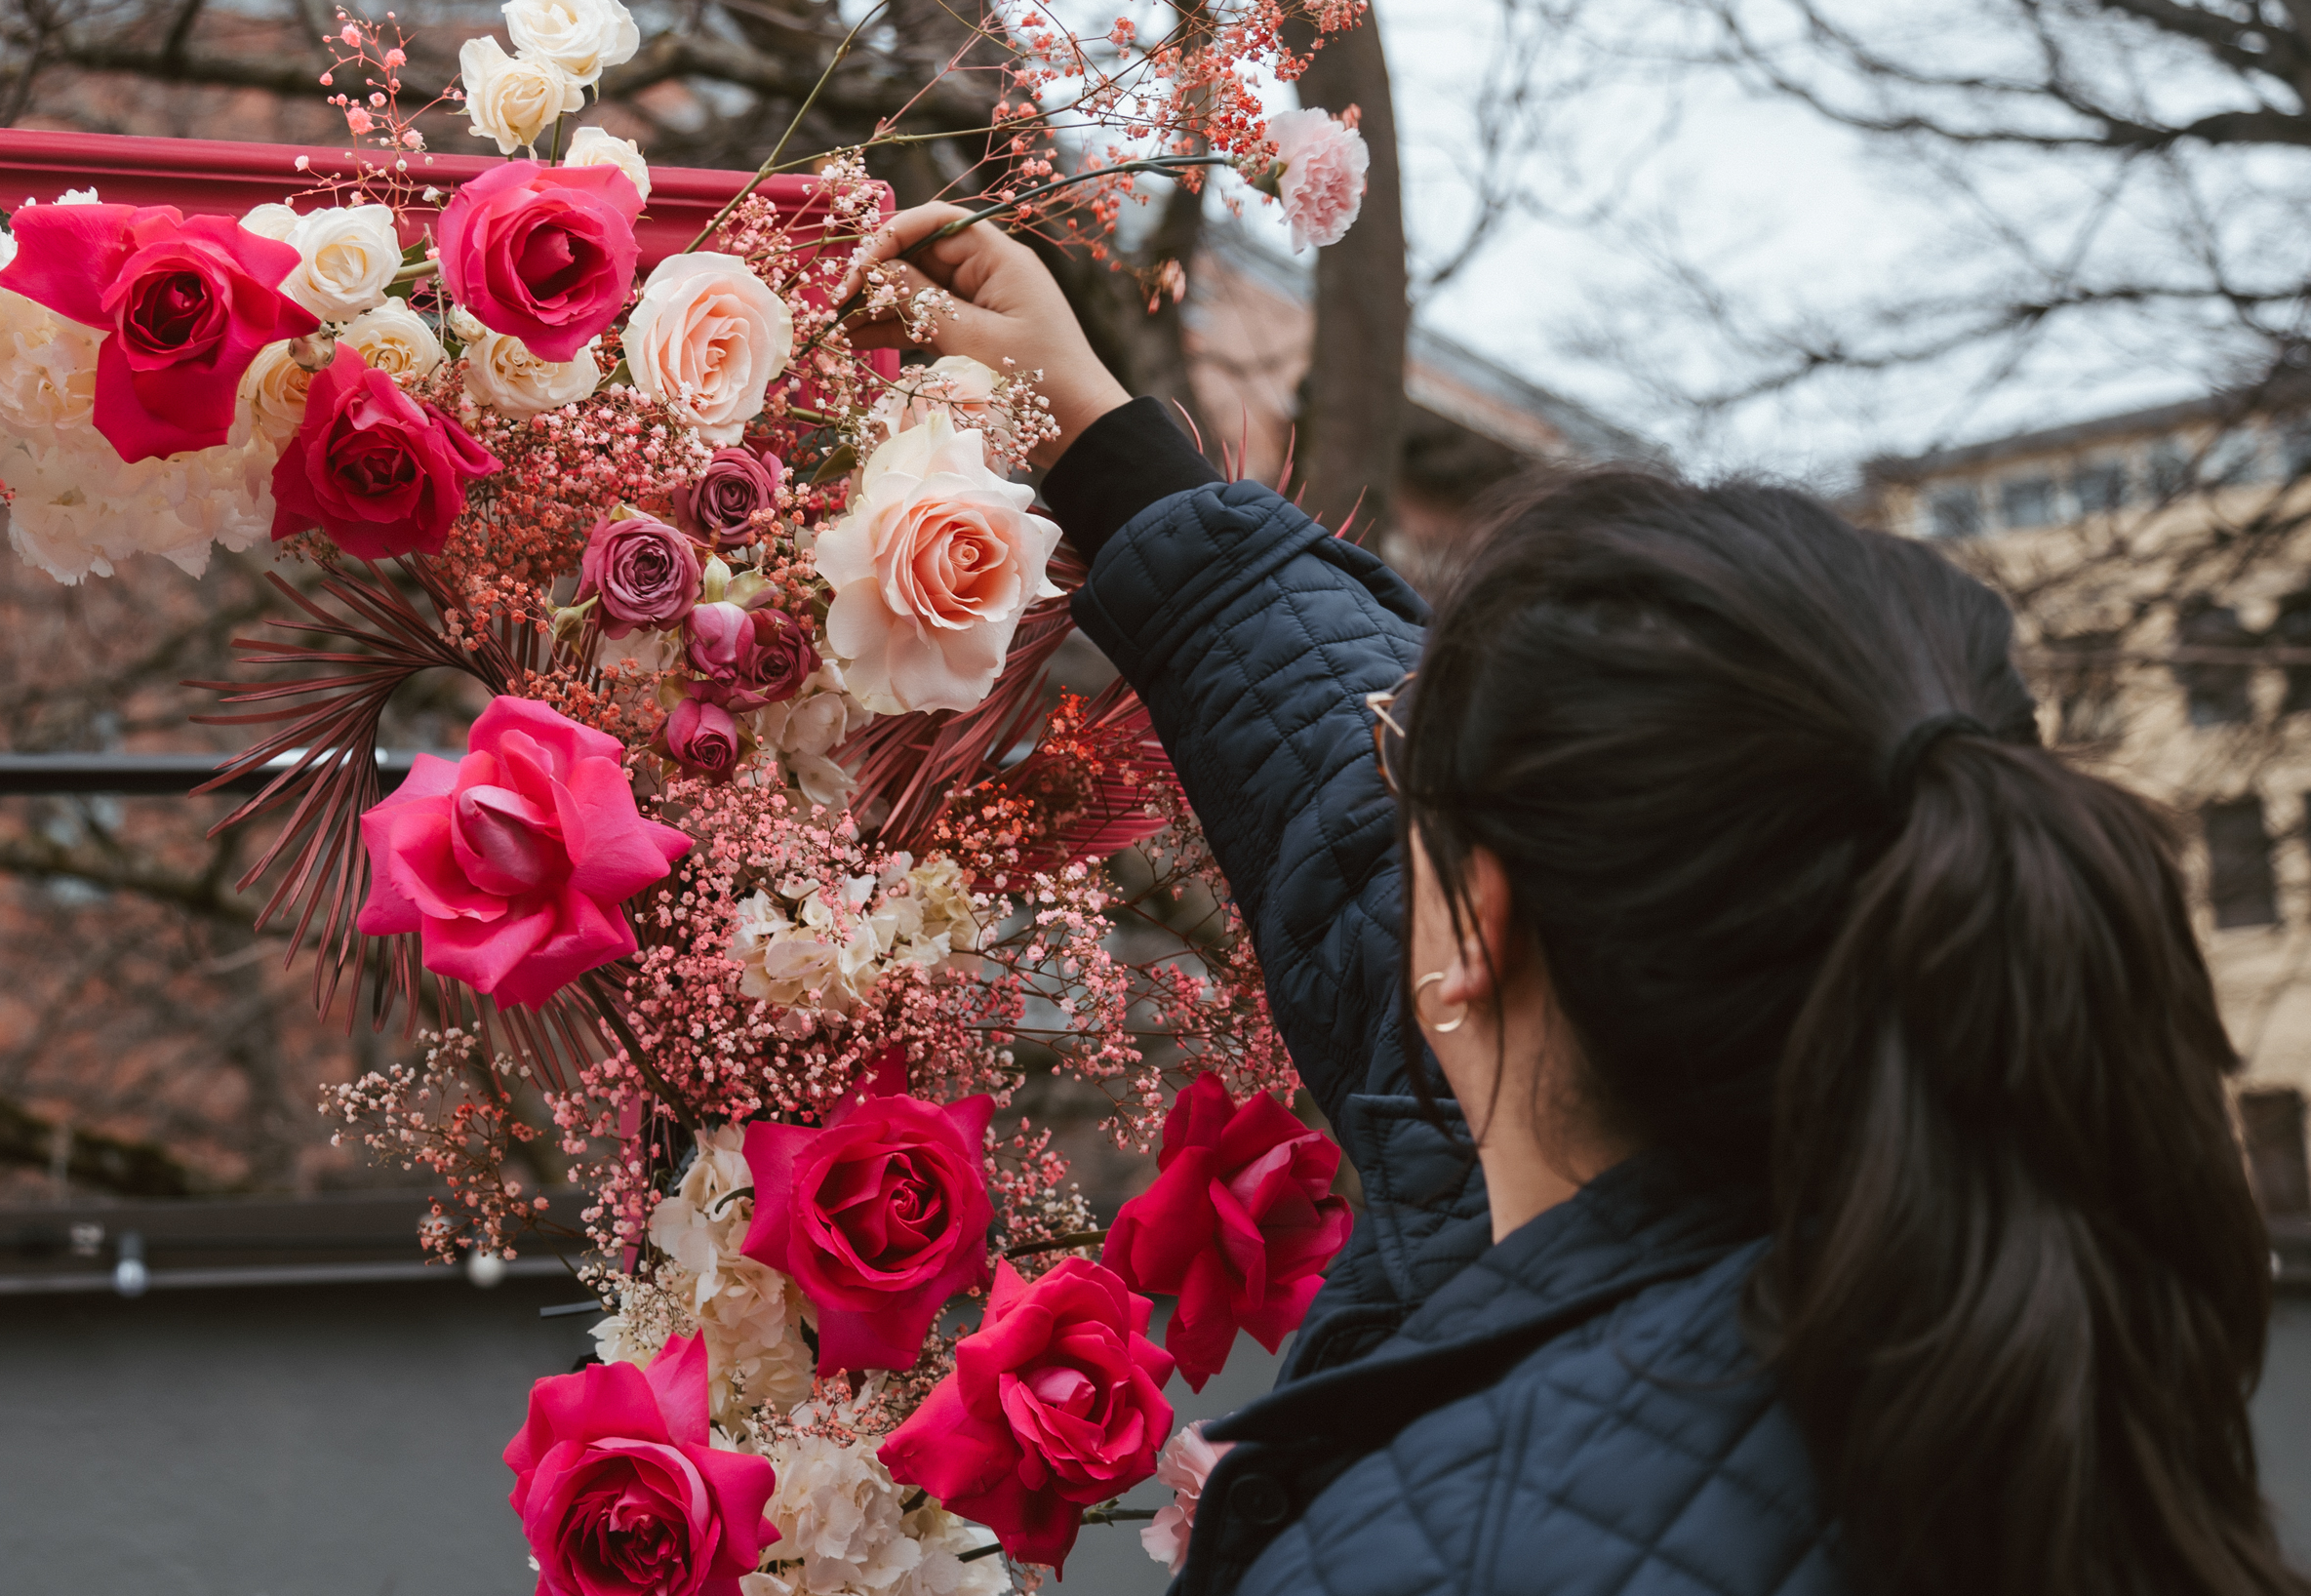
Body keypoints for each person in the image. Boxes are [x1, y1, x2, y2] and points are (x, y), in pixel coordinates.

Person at [846, 203, 2304, 1596]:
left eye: (1406, 757)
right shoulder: (2010, 1313)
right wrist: (1106, 450)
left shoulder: (1428, 1566)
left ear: (1484, 922)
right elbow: (1363, 822)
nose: (1378, 785)